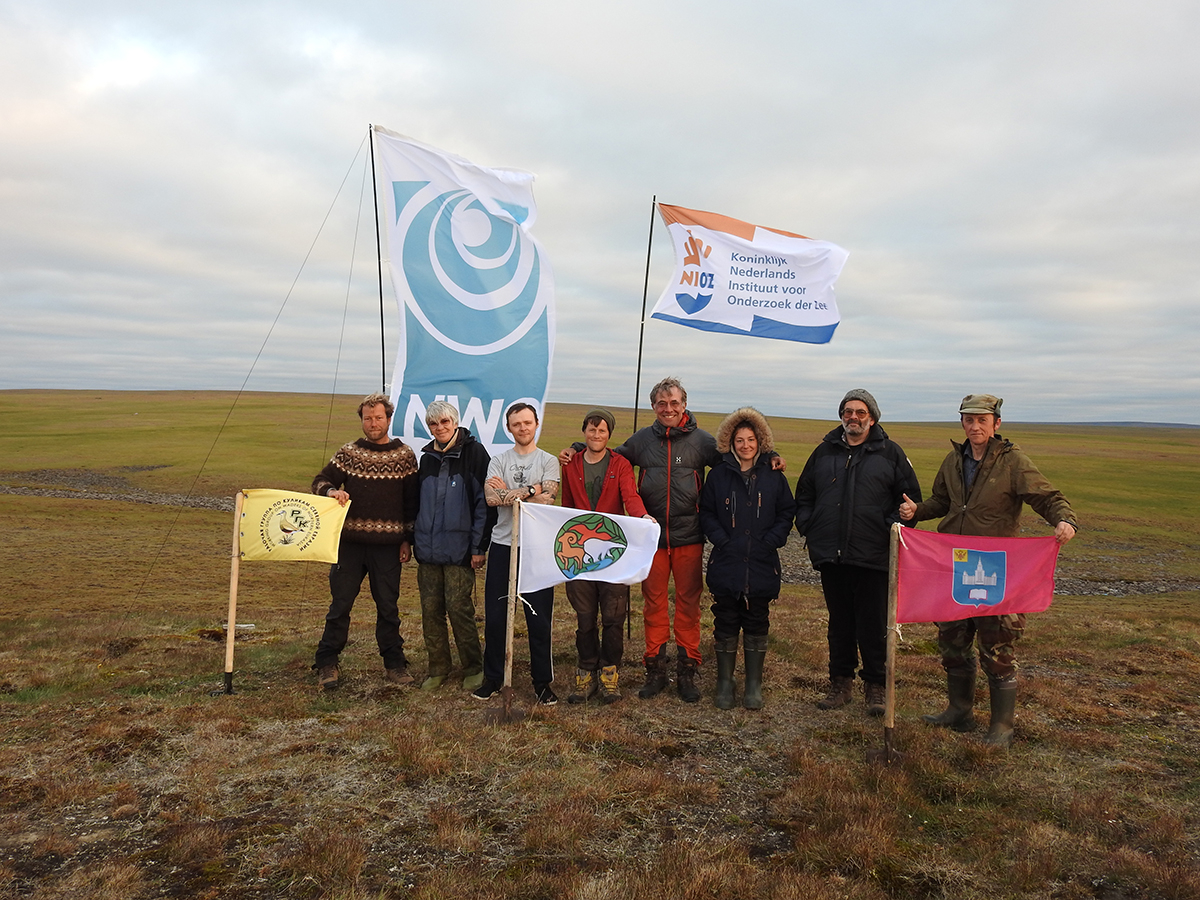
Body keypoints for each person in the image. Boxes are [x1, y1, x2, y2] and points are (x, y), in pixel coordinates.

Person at [560, 377, 784, 703]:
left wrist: (770, 454)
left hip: (689, 535)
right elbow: (607, 454)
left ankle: (687, 669)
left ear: (684, 404)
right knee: (653, 604)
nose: (668, 409)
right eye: (662, 404)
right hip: (651, 539)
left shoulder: (703, 442)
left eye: (674, 403)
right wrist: (578, 447)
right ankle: (655, 670)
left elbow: (739, 455)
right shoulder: (640, 441)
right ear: (654, 407)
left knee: (688, 605)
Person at [899, 394, 1077, 747]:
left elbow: (1045, 496)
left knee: (997, 645)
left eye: (982, 420)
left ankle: (1002, 727)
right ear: (962, 423)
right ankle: (959, 710)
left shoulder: (1013, 462)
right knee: (952, 639)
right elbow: (943, 502)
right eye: (968, 420)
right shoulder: (953, 460)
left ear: (996, 424)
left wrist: (1064, 519)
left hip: (995, 569)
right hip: (953, 565)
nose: (974, 426)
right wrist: (917, 511)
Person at [794, 389, 922, 716]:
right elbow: (805, 494)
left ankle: (876, 687)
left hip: (874, 556)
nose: (853, 417)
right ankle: (840, 682)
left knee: (873, 624)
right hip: (832, 556)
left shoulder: (890, 454)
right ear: (841, 416)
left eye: (860, 412)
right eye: (848, 411)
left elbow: (909, 504)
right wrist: (810, 525)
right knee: (840, 623)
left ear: (872, 418)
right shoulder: (824, 453)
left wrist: (889, 531)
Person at [311, 393, 419, 690]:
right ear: (362, 420)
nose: (373, 423)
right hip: (349, 545)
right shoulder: (349, 452)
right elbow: (320, 480)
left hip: (388, 547)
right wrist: (332, 492)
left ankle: (395, 664)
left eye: (379, 417)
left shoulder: (404, 455)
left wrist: (407, 539)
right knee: (340, 605)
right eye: (368, 418)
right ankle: (327, 663)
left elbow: (411, 502)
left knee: (388, 608)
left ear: (388, 419)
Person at [699, 408, 795, 709]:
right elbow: (707, 512)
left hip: (761, 562)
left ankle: (754, 684)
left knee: (757, 620)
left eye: (751, 439)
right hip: (727, 561)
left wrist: (771, 541)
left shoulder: (774, 476)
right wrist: (723, 541)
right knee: (725, 620)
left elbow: (786, 512)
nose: (745, 445)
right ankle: (725, 683)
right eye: (739, 440)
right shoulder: (719, 475)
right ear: (730, 442)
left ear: (760, 441)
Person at [559, 408, 651, 704]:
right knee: (585, 618)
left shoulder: (621, 464)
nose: (596, 435)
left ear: (609, 435)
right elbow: (568, 506)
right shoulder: (571, 464)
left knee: (612, 617)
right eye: (591, 430)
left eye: (601, 431)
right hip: (580, 557)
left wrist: (643, 517)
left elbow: (630, 496)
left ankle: (610, 673)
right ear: (583, 432)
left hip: (613, 553)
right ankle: (586, 672)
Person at [473, 402, 561, 705]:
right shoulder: (498, 460)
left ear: (536, 424)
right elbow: (490, 497)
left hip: (536, 548)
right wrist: (530, 492)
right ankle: (493, 678)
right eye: (516, 424)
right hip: (502, 545)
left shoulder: (549, 461)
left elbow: (549, 497)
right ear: (508, 428)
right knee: (496, 617)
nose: (522, 428)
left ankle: (542, 682)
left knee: (539, 619)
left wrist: (519, 492)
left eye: (527, 422)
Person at [412, 400, 495, 693]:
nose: (440, 428)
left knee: (460, 609)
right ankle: (438, 668)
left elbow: (483, 504)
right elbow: (417, 503)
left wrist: (478, 547)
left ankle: (473, 667)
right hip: (427, 550)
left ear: (456, 422)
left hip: (460, 551)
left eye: (445, 422)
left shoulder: (474, 453)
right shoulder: (426, 458)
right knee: (431, 611)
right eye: (434, 424)